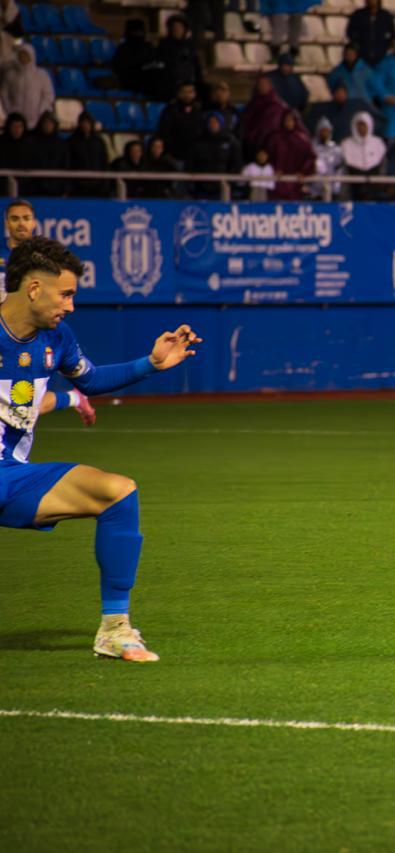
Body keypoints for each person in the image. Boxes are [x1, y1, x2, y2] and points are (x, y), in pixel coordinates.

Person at [0, 235, 201, 662]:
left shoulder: (58, 339)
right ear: (34, 288)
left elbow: (88, 380)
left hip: (10, 476)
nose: (70, 305)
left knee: (118, 492)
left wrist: (152, 364)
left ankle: (114, 629)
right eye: (66, 294)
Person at [0, 201, 98, 424]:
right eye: (14, 218)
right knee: (19, 402)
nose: (21, 224)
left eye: (26, 218)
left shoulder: (46, 261)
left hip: (25, 337)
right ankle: (74, 398)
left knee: (23, 401)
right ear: (6, 222)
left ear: (34, 222)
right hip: (6, 330)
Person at [1, 44, 54, 130]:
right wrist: (10, 110)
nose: (24, 57)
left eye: (26, 55)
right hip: (15, 123)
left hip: (35, 122)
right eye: (21, 55)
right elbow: (4, 94)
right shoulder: (10, 74)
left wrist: (40, 111)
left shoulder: (41, 75)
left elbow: (48, 95)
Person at [264, 110, 315, 200]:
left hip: (296, 183)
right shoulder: (275, 139)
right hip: (277, 181)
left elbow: (310, 158)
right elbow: (267, 157)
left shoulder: (302, 139)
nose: (289, 123)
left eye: (291, 120)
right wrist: (274, 169)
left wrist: (304, 171)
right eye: (286, 120)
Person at [111, 18, 165, 101]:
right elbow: (121, 67)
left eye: (140, 32)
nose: (138, 34)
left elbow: (157, 60)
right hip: (132, 80)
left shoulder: (148, 46)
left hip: (150, 77)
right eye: (135, 32)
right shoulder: (124, 48)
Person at [188, 112, 243, 192]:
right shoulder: (199, 141)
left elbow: (237, 163)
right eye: (210, 122)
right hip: (201, 186)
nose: (213, 124)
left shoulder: (230, 141)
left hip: (224, 185)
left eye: (216, 122)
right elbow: (191, 162)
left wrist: (229, 181)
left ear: (221, 123)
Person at [156, 81, 204, 167]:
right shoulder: (170, 110)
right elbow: (164, 132)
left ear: (194, 94)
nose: (187, 95)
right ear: (179, 94)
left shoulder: (198, 111)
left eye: (190, 92)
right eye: (184, 92)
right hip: (175, 156)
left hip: (194, 157)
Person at [340, 110, 386, 200]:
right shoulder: (346, 144)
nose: (361, 128)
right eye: (359, 125)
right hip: (353, 187)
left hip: (375, 186)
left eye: (364, 125)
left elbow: (383, 166)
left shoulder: (378, 143)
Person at [156, 15, 203, 101]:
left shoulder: (190, 47)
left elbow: (197, 69)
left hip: (189, 86)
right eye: (174, 27)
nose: (177, 29)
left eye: (180, 27)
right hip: (169, 87)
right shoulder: (163, 46)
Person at [240, 74, 288, 158]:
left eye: (265, 84)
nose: (262, 87)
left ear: (270, 86)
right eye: (260, 85)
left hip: (271, 144)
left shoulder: (277, 105)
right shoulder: (253, 104)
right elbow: (246, 121)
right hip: (253, 144)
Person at [307, 81, 371, 142]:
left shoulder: (355, 106)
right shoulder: (325, 110)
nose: (340, 95)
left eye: (342, 93)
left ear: (346, 94)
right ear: (333, 95)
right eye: (338, 93)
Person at [67, 111, 111, 198]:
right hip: (79, 187)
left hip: (97, 186)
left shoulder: (99, 141)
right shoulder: (72, 141)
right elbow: (69, 163)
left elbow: (104, 162)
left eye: (87, 123)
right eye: (83, 123)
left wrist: (105, 183)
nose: (85, 125)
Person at [26, 111, 68, 198]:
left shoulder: (61, 144)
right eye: (45, 123)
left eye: (50, 123)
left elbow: (66, 166)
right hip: (35, 189)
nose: (47, 125)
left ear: (54, 125)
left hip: (56, 189)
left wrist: (65, 188)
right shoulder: (31, 143)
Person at [346, 0, 395, 67]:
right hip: (362, 58)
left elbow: (394, 35)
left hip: (381, 58)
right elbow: (349, 33)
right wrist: (358, 45)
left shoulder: (386, 16)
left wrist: (385, 47)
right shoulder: (358, 15)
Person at [310, 116, 343, 196]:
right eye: (322, 131)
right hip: (314, 190)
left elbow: (339, 169)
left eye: (327, 131)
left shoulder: (335, 149)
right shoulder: (311, 148)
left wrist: (336, 187)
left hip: (331, 189)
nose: (325, 133)